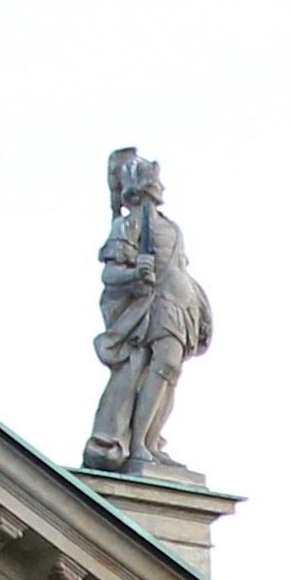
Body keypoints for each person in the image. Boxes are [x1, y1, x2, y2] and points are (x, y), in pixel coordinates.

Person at [84, 147, 211, 478]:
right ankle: (138, 443)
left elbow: (180, 267)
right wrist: (135, 274)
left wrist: (198, 303)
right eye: (154, 179)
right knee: (162, 365)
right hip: (154, 307)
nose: (160, 186)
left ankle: (152, 444)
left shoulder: (171, 227)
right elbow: (110, 274)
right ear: (141, 186)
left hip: (181, 305)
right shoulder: (127, 226)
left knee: (170, 372)